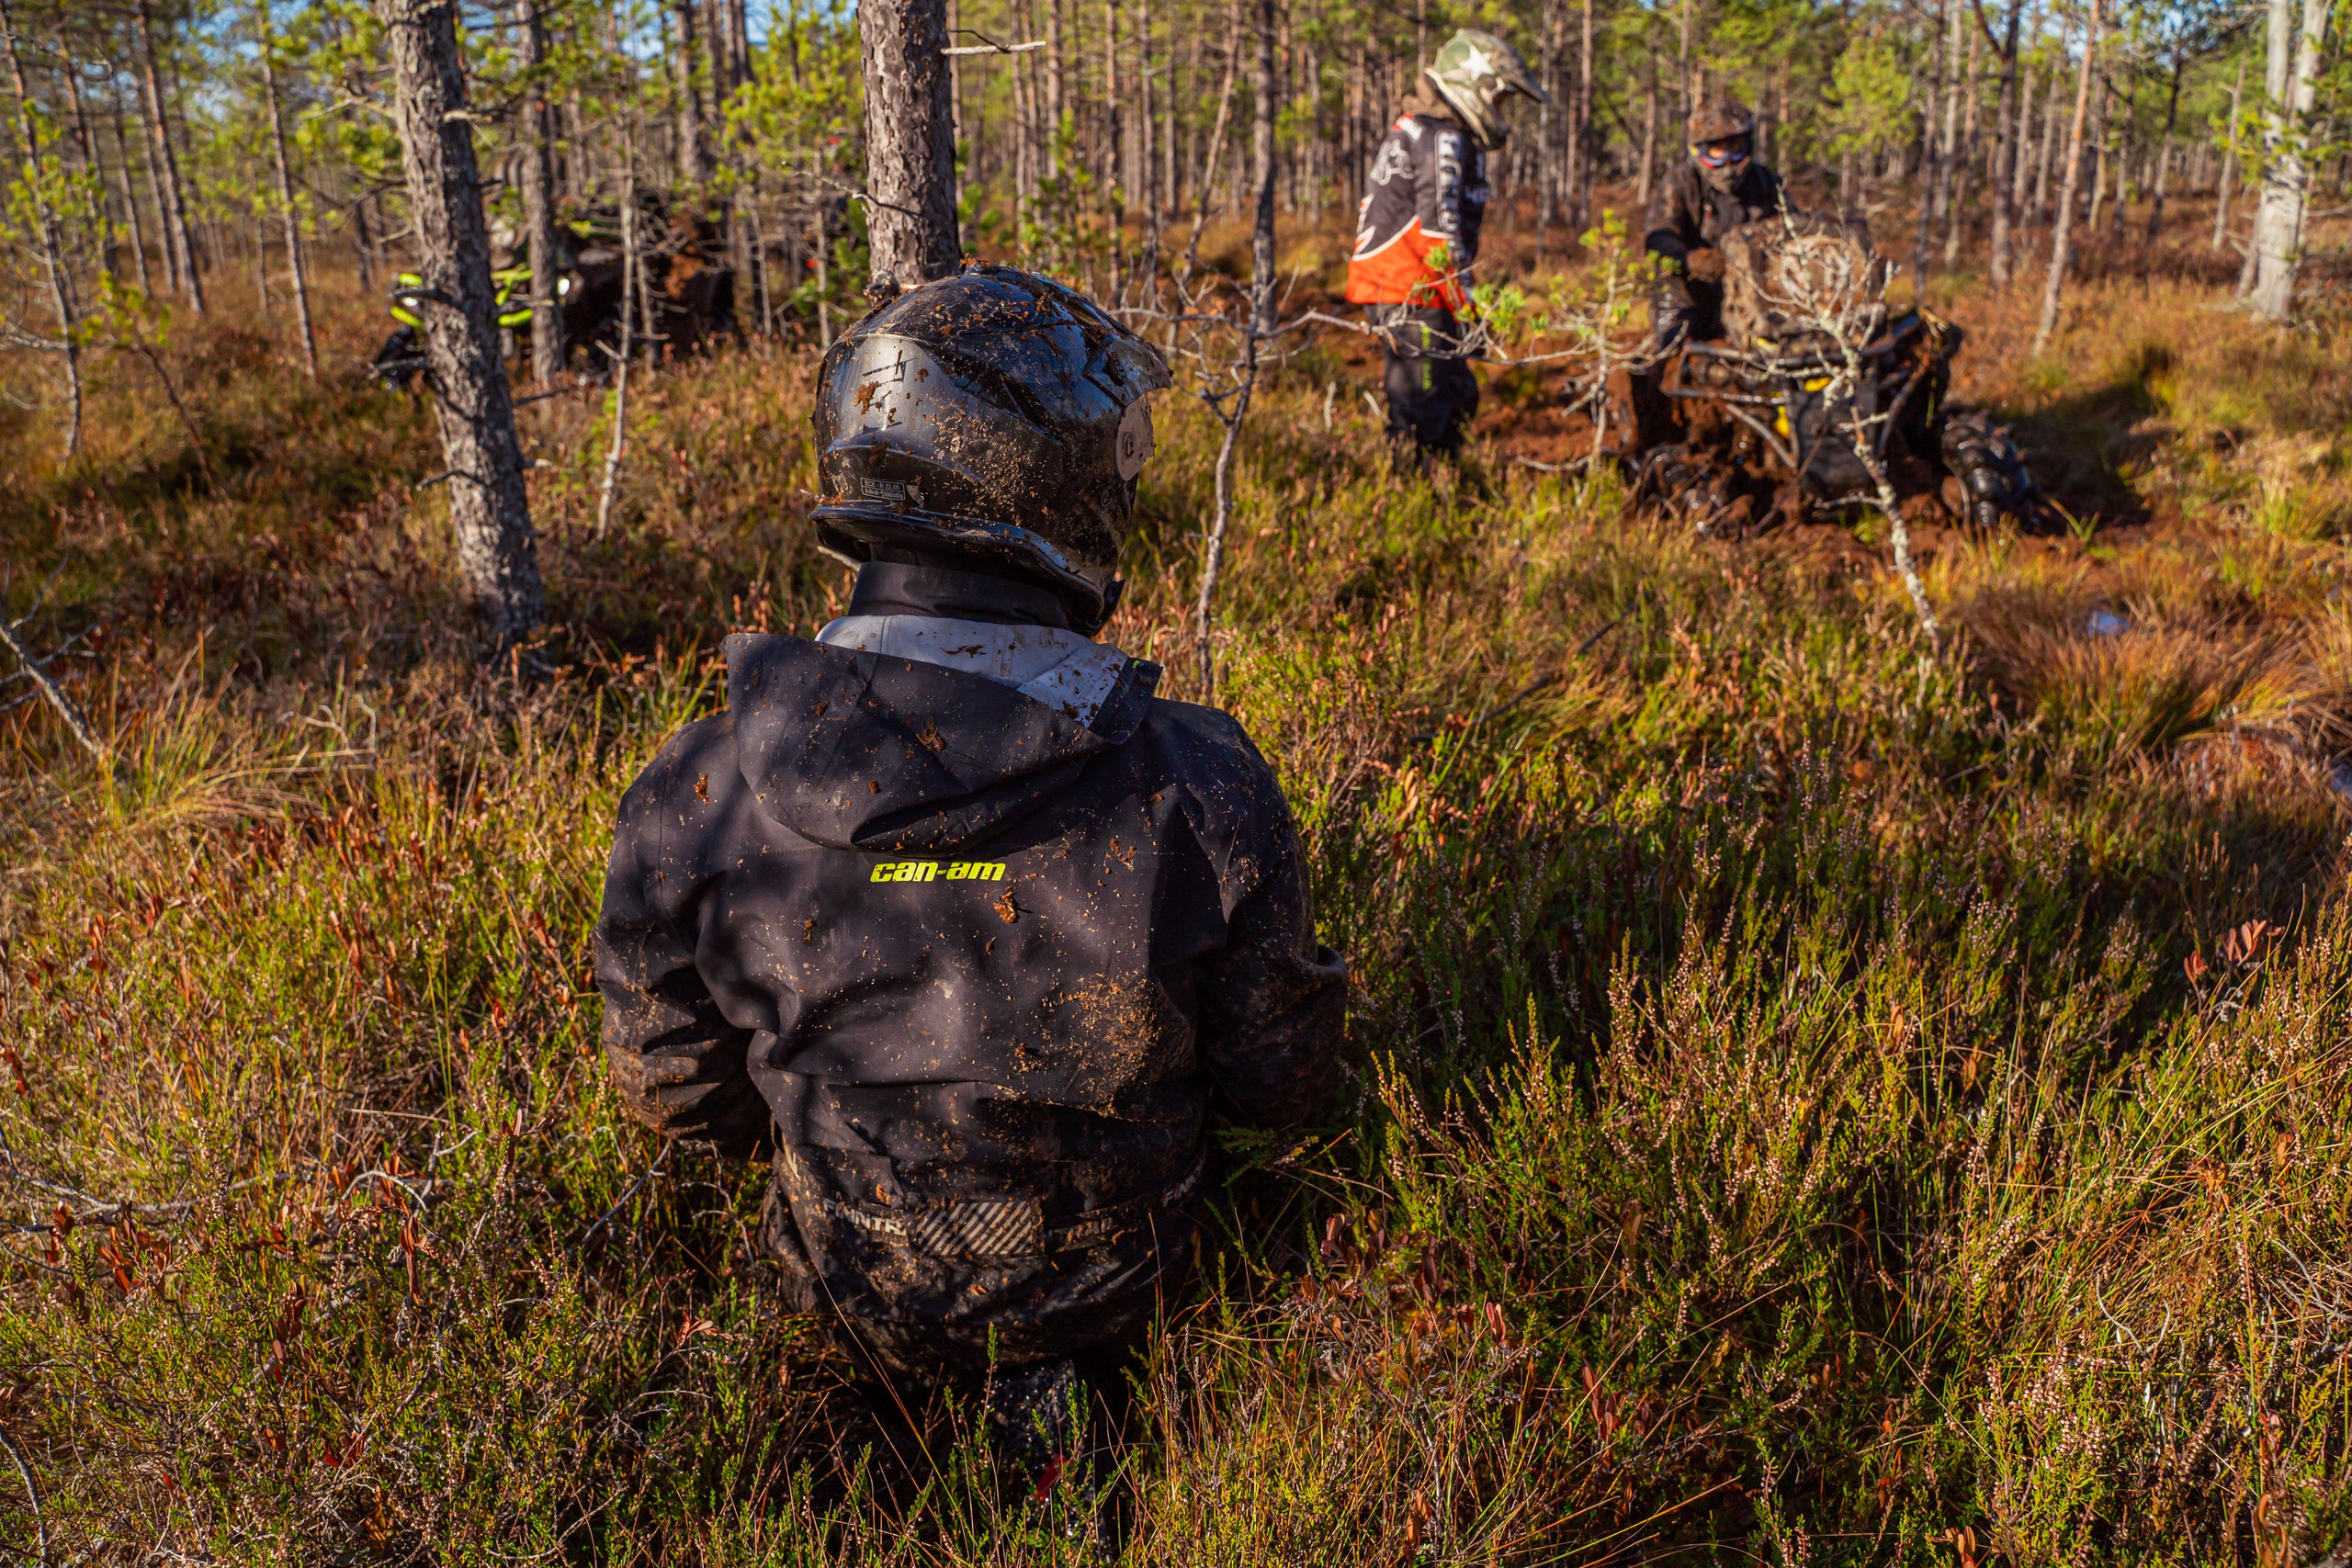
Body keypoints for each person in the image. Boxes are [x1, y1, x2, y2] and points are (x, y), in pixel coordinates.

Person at [593, 264, 1347, 1469]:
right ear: (1055, 481)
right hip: (1121, 1297)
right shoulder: (1194, 776)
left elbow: (677, 1088)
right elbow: (1281, 1080)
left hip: (842, 1289)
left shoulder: (702, 785)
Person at [1346, 28, 1547, 457]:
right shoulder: (1440, 138)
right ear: (1475, 86)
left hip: (1411, 291)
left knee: (1455, 397)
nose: (1499, 111)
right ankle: (1415, 503)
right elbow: (1441, 233)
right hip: (1413, 293)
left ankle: (1440, 493)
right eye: (1499, 99)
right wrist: (1469, 308)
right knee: (1423, 410)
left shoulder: (1426, 130)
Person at [1645, 98, 1789, 349]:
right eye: (1716, 150)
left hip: (1753, 293)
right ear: (1699, 150)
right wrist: (1690, 259)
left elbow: (1796, 230)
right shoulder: (1681, 181)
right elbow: (1658, 236)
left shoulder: (1766, 183)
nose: (1728, 160)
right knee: (1671, 352)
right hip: (1687, 292)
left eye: (1734, 147)